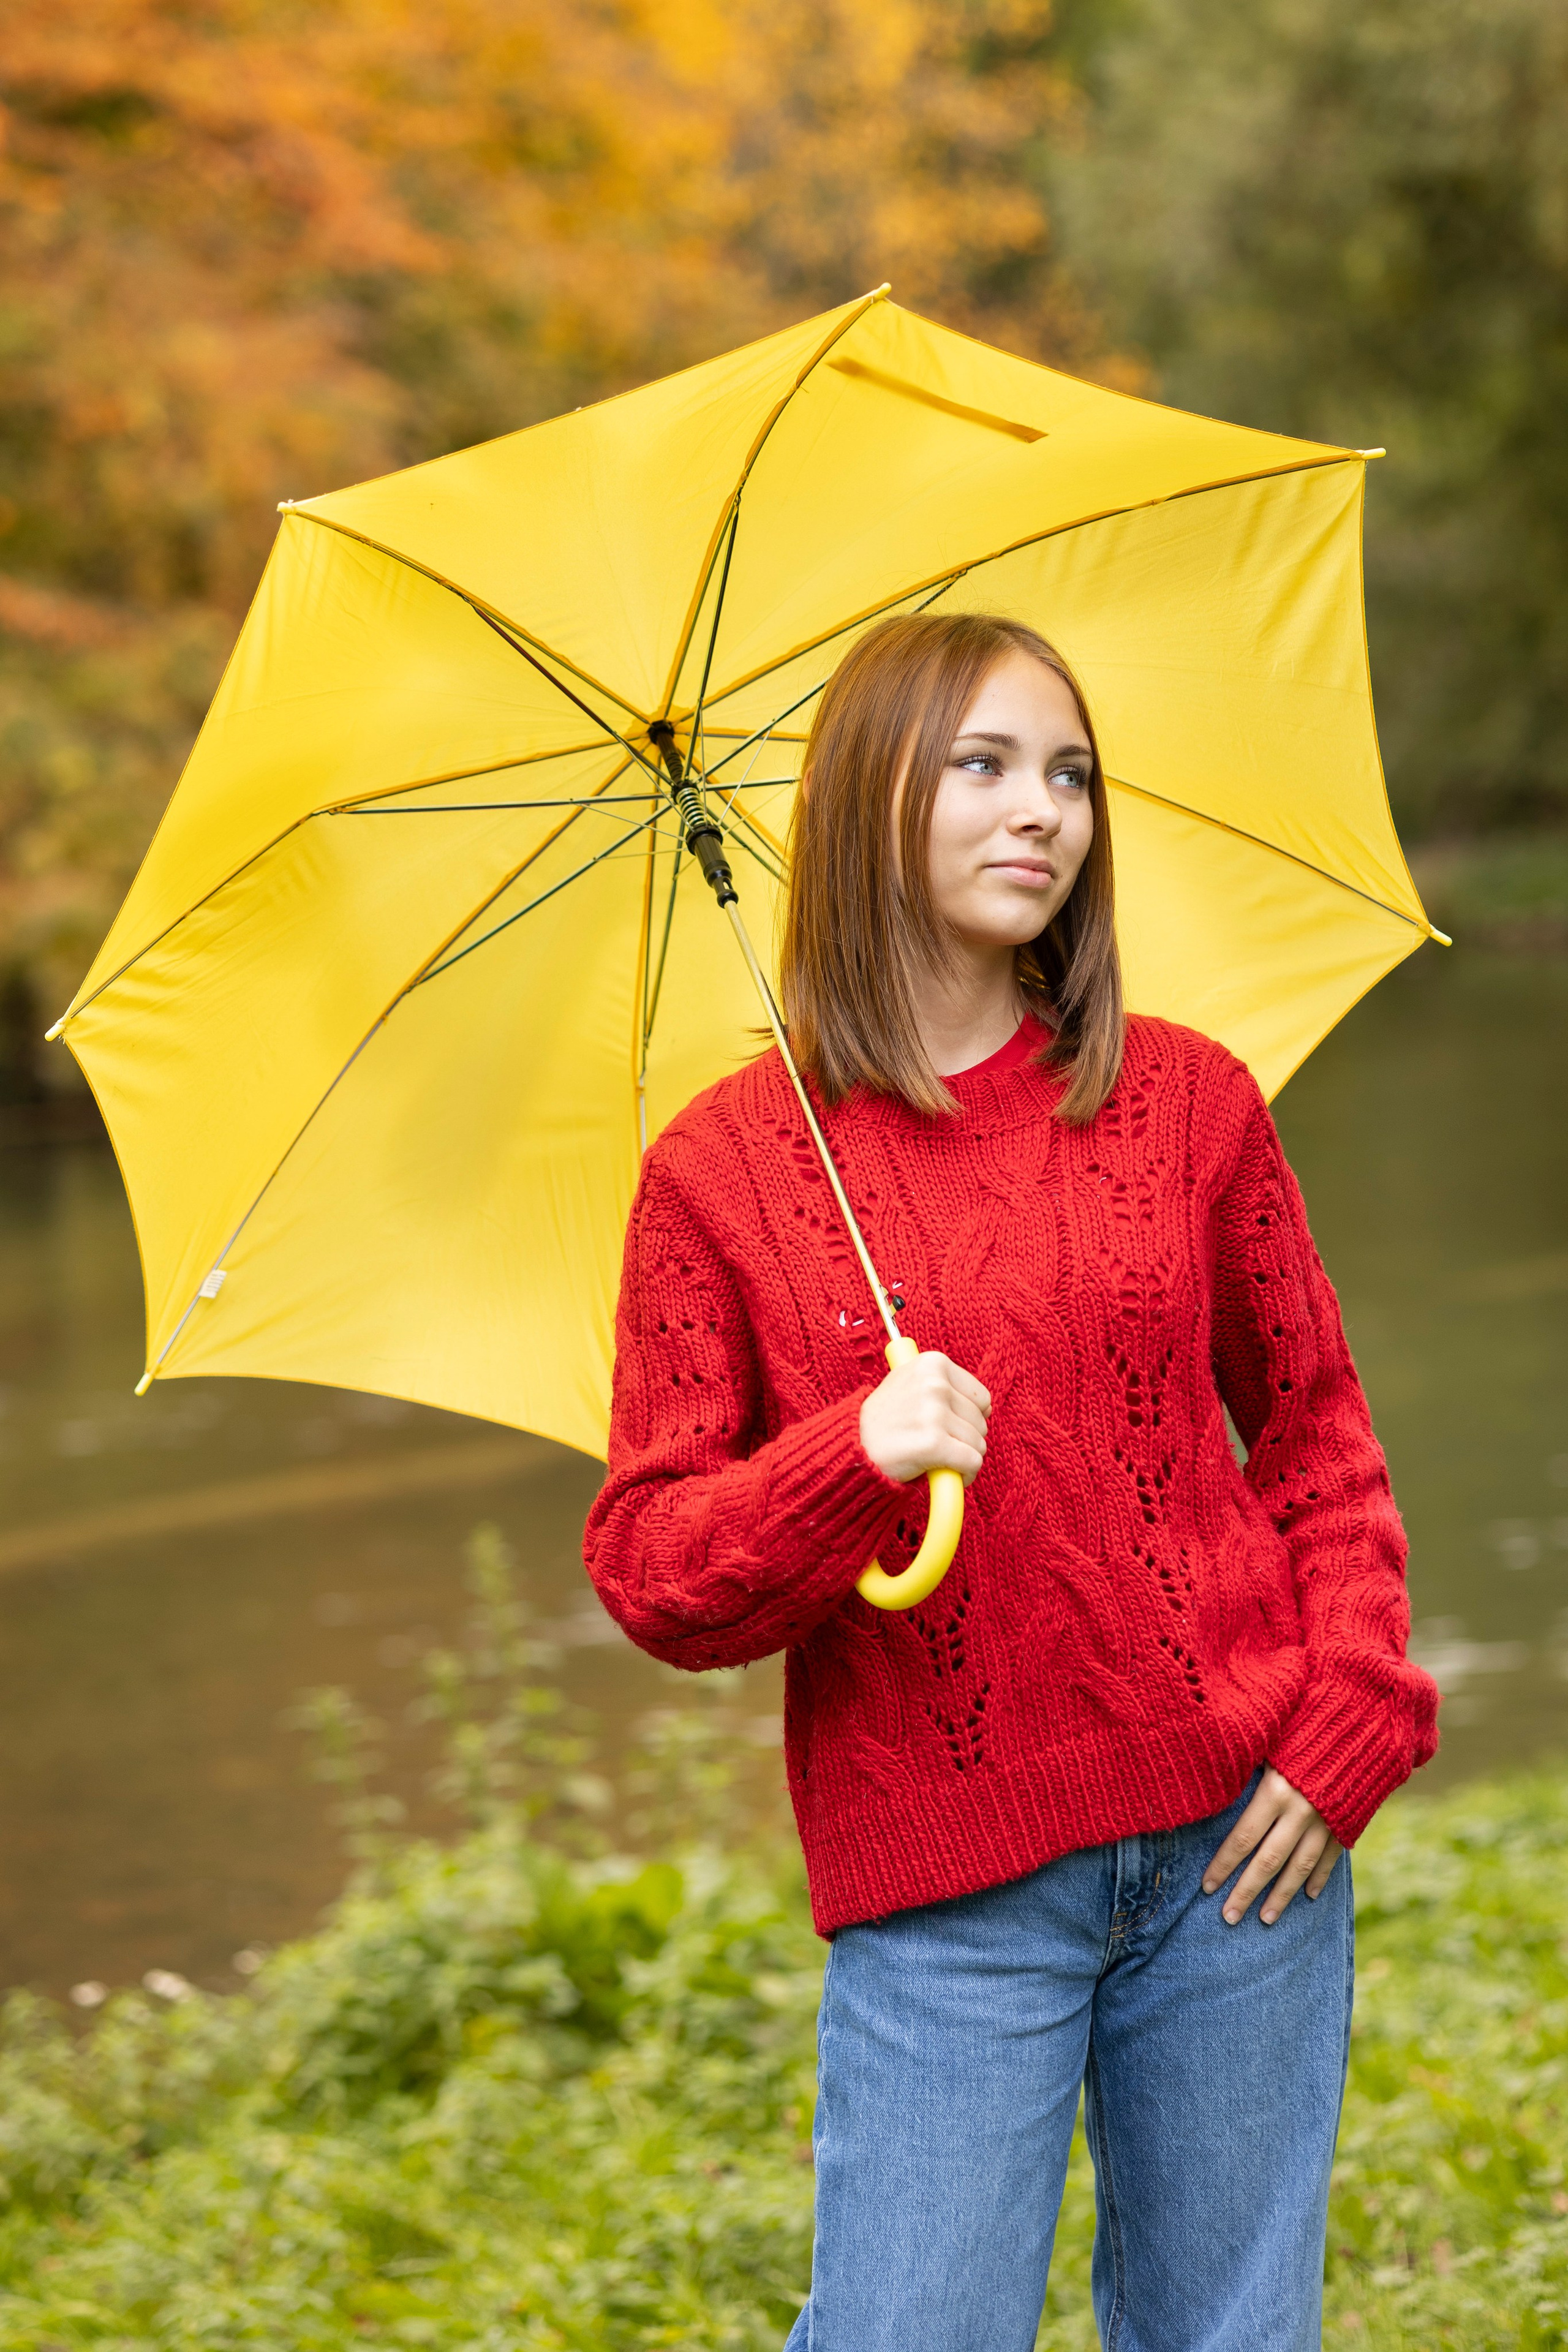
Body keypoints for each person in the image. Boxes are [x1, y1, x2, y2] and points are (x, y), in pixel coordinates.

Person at [583, 612, 1439, 2352]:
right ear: (864, 803)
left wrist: (1355, 1706)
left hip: (1238, 1861)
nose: (1040, 811)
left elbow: (1319, 1437)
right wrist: (853, 1458)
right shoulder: (721, 1176)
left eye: (1066, 773)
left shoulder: (1187, 1102)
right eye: (980, 765)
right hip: (951, 1893)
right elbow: (656, 1571)